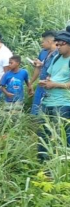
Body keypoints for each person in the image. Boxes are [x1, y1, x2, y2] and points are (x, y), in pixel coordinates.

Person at [37, 30, 70, 162]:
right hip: (48, 101)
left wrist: (55, 84)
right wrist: (46, 81)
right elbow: (50, 75)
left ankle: (62, 163)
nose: (58, 47)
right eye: (56, 44)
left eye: (60, 44)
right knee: (43, 135)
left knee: (62, 136)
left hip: (63, 104)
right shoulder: (56, 58)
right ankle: (43, 164)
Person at [30, 31, 58, 115]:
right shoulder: (44, 52)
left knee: (44, 114)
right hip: (41, 85)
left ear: (49, 41)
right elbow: (39, 69)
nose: (41, 44)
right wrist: (30, 83)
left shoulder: (58, 55)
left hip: (50, 88)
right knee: (35, 110)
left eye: (43, 42)